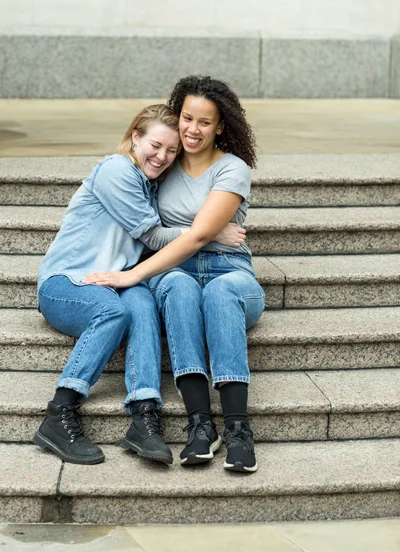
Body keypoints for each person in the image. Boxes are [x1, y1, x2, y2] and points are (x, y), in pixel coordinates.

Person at [34, 103, 244, 466]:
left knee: (143, 303)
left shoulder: (149, 185)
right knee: (113, 311)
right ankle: (60, 410)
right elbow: (152, 234)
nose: (162, 156)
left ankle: (144, 417)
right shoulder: (116, 170)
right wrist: (210, 233)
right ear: (135, 137)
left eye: (172, 150)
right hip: (68, 283)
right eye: (155, 146)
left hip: (112, 282)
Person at [83, 76, 265, 473]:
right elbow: (144, 218)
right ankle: (201, 424)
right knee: (180, 288)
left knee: (219, 294)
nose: (192, 130)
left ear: (220, 126)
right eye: (187, 118)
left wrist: (133, 276)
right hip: (175, 270)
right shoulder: (163, 163)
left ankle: (238, 428)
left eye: (204, 122)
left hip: (229, 271)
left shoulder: (232, 169)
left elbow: (200, 234)